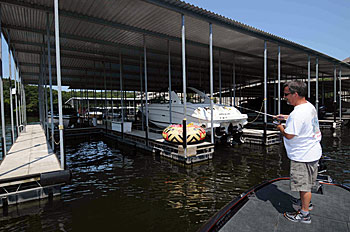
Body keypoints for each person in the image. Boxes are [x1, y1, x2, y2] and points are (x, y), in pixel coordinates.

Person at [275, 80, 322, 224]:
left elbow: (289, 134)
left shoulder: (297, 114)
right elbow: (303, 120)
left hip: (303, 156)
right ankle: (306, 203)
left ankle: (304, 214)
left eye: (286, 94)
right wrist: (286, 117)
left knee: (303, 185)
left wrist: (280, 127)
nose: (285, 97)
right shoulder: (309, 106)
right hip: (313, 152)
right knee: (306, 183)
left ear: (295, 94)